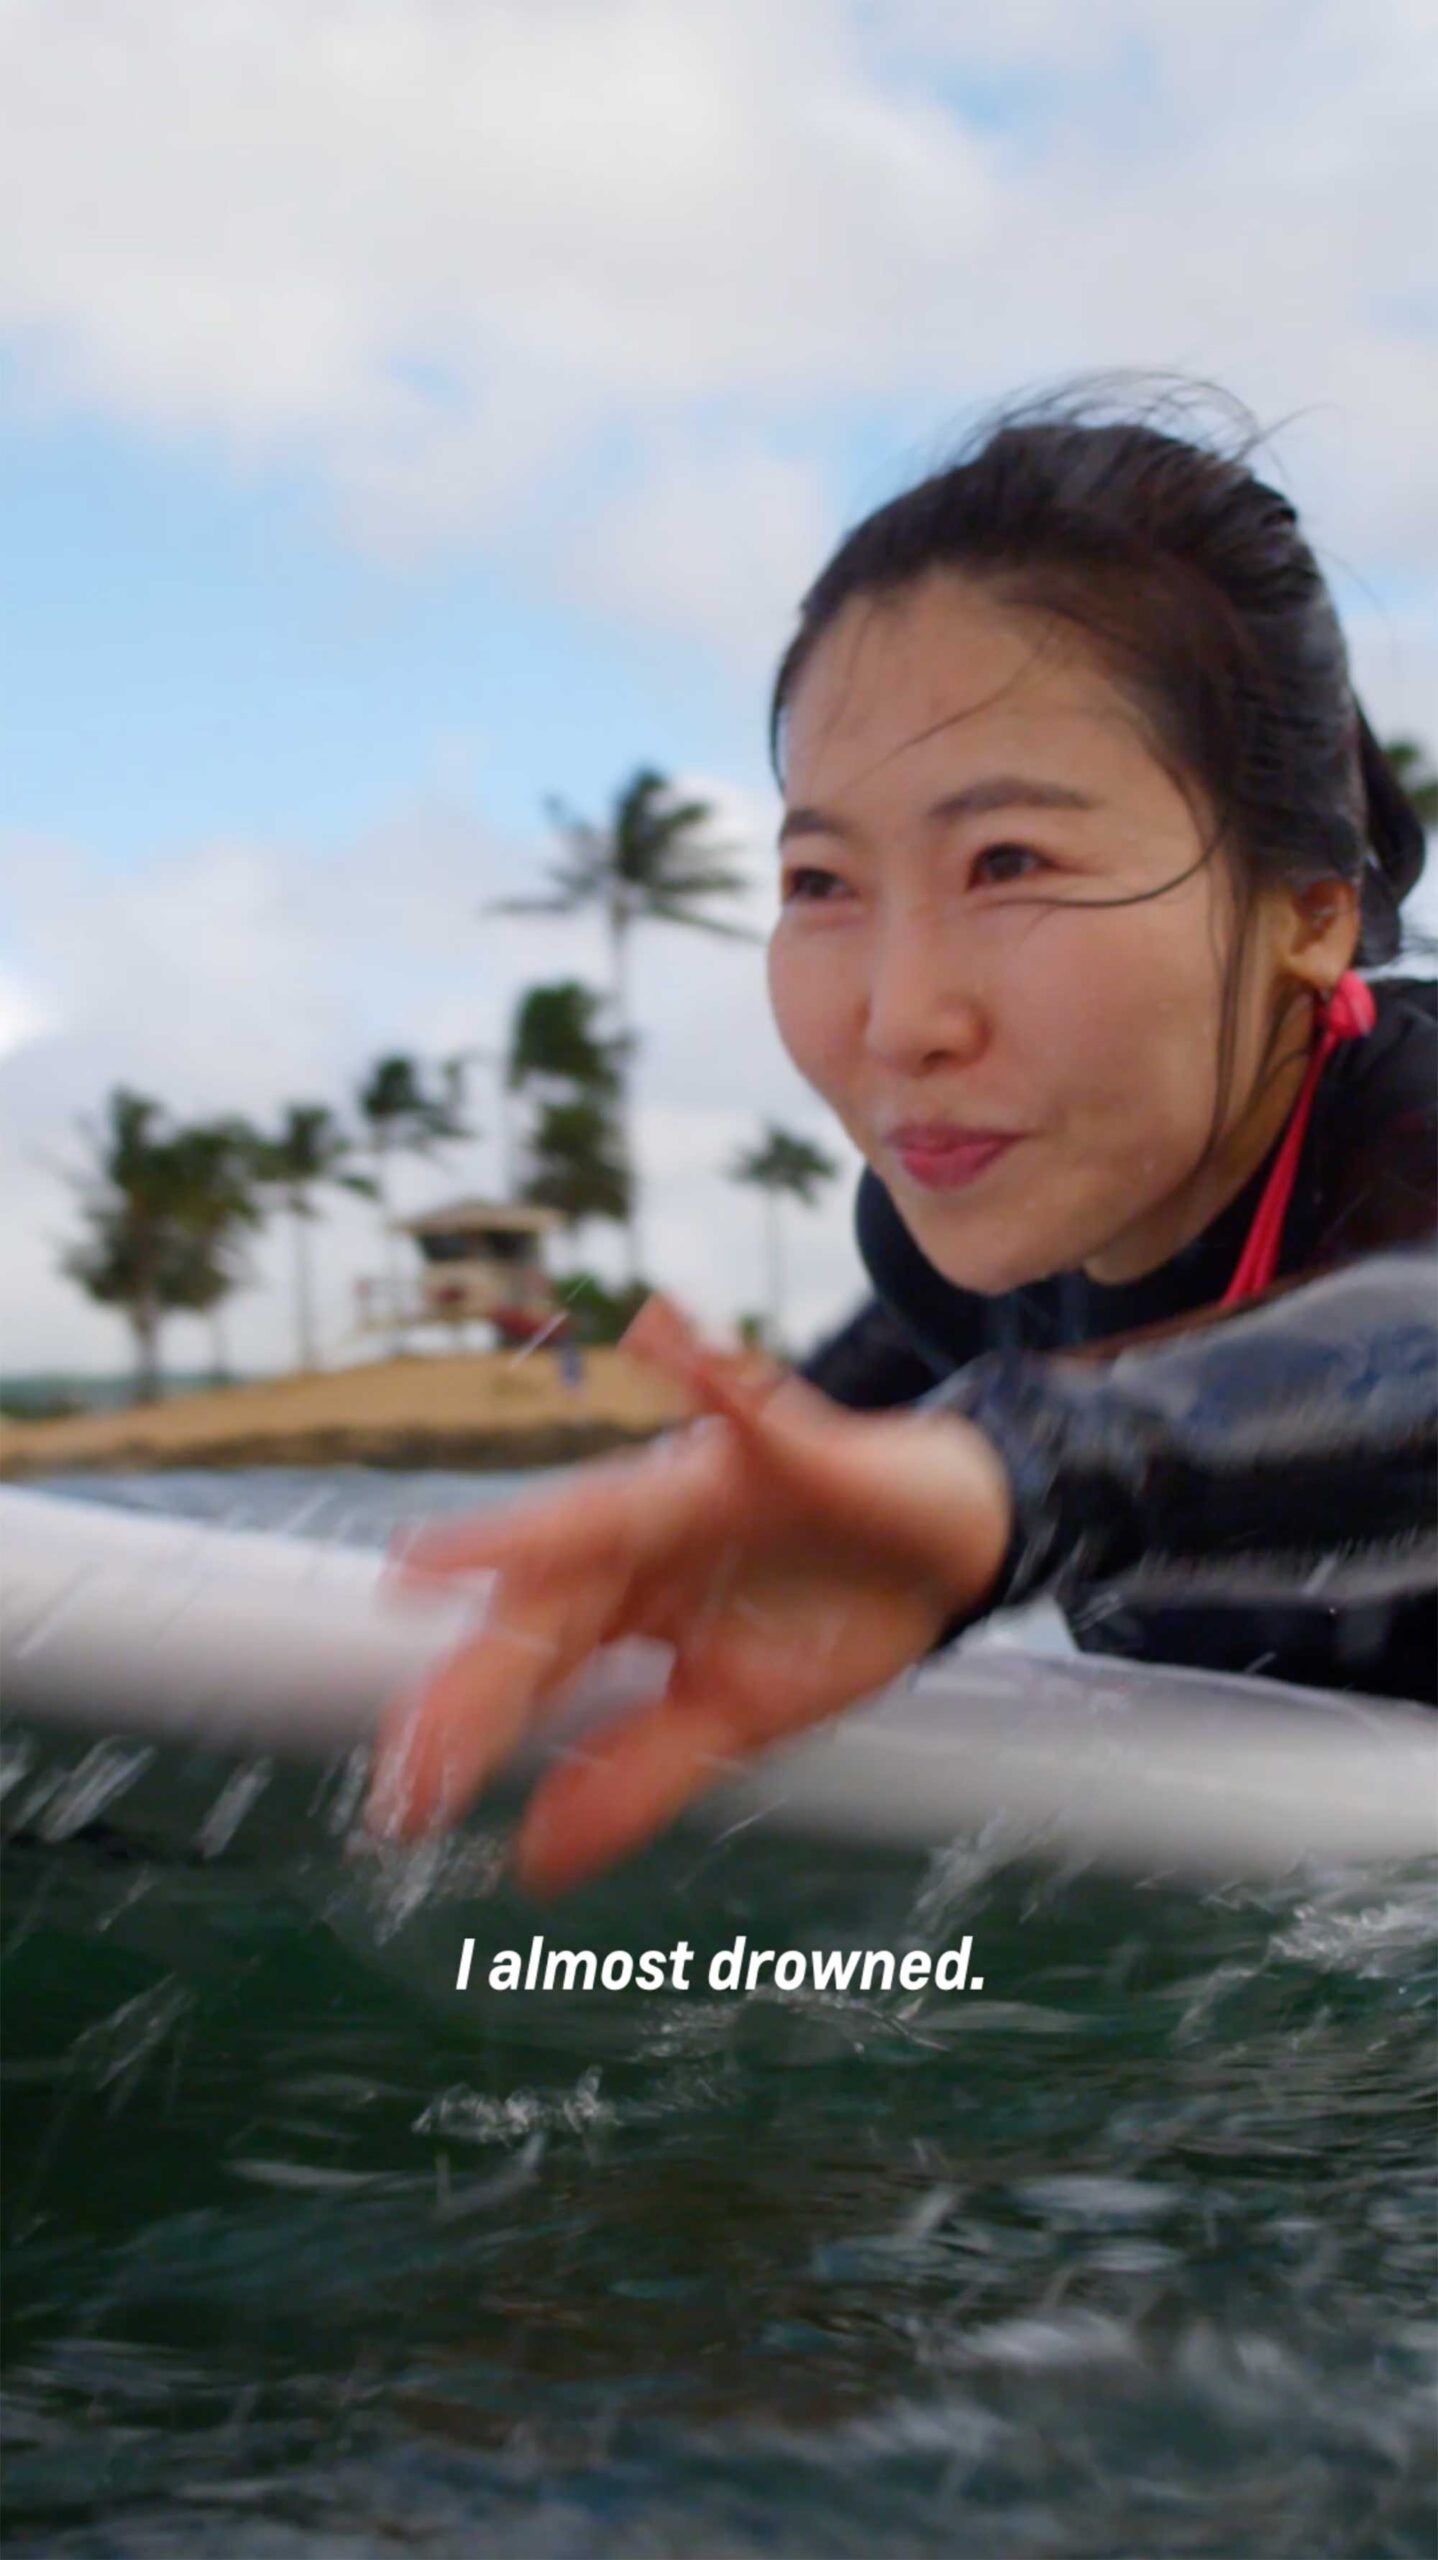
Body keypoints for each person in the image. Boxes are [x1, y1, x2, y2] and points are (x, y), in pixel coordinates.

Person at [365, 389, 1436, 1893]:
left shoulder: (1408, 1135)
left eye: (1008, 862)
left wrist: (1018, 1478)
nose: (895, 1018)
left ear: (1307, 914)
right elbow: (767, 1522)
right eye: (820, 882)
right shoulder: (953, 1228)